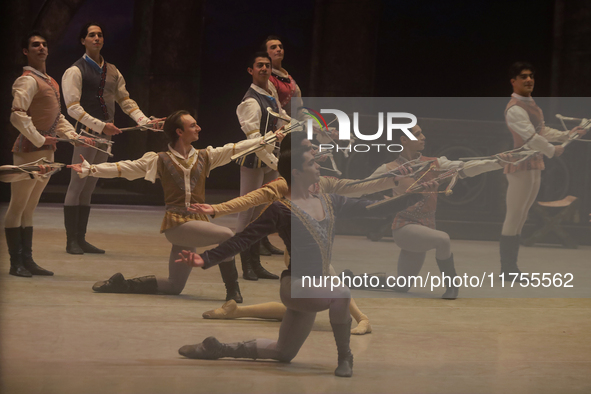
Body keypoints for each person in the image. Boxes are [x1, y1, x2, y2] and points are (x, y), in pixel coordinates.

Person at [176, 145, 406, 377]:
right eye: (311, 163)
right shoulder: (280, 209)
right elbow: (243, 239)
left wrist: (415, 195)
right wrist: (205, 258)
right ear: (295, 172)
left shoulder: (330, 201)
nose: (318, 166)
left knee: (283, 352)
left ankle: (216, 348)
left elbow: (375, 208)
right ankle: (345, 356)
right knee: (341, 294)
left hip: (316, 287)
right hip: (296, 286)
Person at [68, 110, 278, 302]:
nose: (198, 128)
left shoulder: (205, 157)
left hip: (195, 225)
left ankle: (122, 283)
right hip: (177, 225)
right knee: (227, 235)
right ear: (179, 132)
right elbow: (125, 168)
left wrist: (268, 139)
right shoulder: (160, 160)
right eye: (193, 125)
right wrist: (91, 169)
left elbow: (235, 148)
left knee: (173, 286)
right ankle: (232, 291)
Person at [363, 125, 505, 299]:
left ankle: (352, 279)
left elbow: (465, 167)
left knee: (402, 285)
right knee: (443, 239)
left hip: (425, 227)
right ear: (404, 140)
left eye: (422, 133)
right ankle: (452, 287)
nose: (423, 137)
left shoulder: (435, 163)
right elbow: (361, 187)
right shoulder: (390, 168)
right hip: (405, 228)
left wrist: (498, 162)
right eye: (418, 134)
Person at [62, 22, 161, 255]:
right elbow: (72, 108)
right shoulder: (75, 71)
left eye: (99, 35)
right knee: (77, 184)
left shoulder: (113, 71)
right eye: (91, 35)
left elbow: (125, 101)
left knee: (90, 185)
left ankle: (81, 238)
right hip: (85, 134)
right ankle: (71, 241)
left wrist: (144, 121)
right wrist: (100, 126)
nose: (96, 38)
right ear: (83, 40)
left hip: (104, 137)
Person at [5, 31, 87, 277]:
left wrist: (73, 136)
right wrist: (39, 138)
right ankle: (15, 262)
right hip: (29, 149)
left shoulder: (49, 80)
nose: (41, 47)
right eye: (34, 45)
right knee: (18, 206)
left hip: (46, 150)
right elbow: (17, 115)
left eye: (43, 44)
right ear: (25, 51)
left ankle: (27, 260)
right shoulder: (27, 80)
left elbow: (57, 116)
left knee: (30, 208)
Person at [501, 62, 586, 280]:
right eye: (523, 76)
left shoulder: (529, 104)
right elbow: (531, 137)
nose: (529, 79)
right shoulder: (516, 108)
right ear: (514, 81)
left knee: (522, 215)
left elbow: (541, 130)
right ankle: (508, 269)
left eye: (531, 76)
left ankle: (511, 269)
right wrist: (551, 150)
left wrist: (567, 136)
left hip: (532, 162)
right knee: (515, 214)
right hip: (520, 163)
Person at [234, 51, 285, 281]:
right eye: (259, 65)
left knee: (261, 212)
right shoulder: (251, 101)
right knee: (247, 212)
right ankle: (244, 265)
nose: (264, 68)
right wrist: (276, 162)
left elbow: (282, 119)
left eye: (267, 65)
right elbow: (255, 141)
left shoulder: (269, 94)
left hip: (271, 158)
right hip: (255, 161)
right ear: (250, 70)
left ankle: (255, 263)